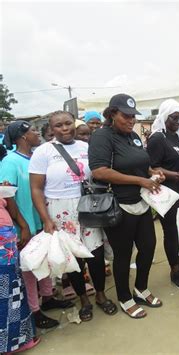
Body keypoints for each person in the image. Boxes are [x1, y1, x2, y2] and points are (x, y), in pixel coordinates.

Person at [30, 110, 117, 323]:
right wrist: (46, 219)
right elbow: (36, 189)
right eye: (58, 125)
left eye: (68, 123)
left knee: (95, 255)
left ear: (74, 124)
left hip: (88, 206)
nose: (64, 128)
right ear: (51, 129)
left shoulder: (86, 148)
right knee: (73, 259)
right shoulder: (43, 152)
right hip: (60, 211)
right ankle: (83, 300)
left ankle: (100, 294)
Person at [88, 93, 163, 319]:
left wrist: (152, 173)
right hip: (119, 204)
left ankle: (141, 288)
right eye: (126, 116)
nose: (131, 120)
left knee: (149, 246)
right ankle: (124, 297)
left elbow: (140, 163)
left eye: (133, 116)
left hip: (141, 201)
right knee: (123, 255)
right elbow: (99, 171)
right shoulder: (102, 137)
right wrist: (141, 180)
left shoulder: (134, 137)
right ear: (112, 114)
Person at [1, 121, 75, 329]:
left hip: (40, 220)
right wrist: (23, 226)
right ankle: (34, 311)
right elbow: (8, 197)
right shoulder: (10, 162)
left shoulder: (35, 157)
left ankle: (48, 297)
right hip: (24, 224)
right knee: (30, 268)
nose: (37, 134)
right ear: (22, 137)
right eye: (33, 131)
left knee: (43, 261)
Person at [147, 99, 179, 290]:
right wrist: (176, 175)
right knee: (172, 233)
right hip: (168, 194)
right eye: (174, 117)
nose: (178, 121)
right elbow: (152, 167)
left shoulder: (177, 137)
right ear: (165, 115)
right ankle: (174, 270)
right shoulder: (158, 138)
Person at [0, 193, 40, 354]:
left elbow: (11, 205)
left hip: (5, 242)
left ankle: (18, 340)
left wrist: (24, 226)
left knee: (12, 288)